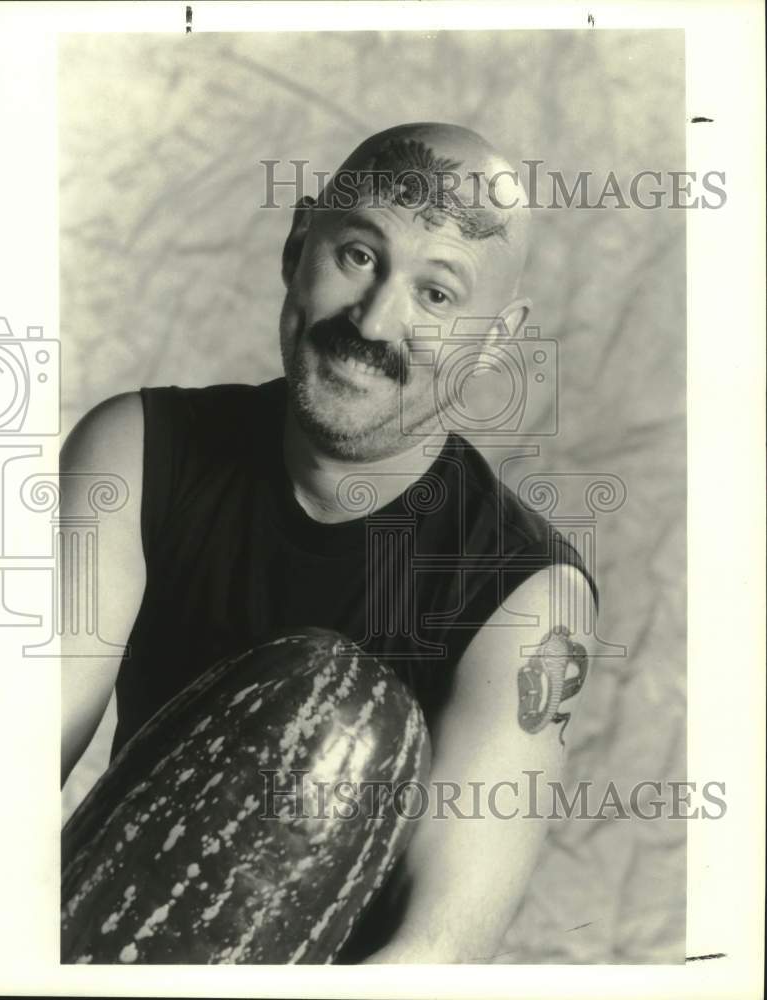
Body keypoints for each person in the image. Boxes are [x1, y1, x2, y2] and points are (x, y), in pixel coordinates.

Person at [61, 122, 599, 963]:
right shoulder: (133, 450)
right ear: (297, 242)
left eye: (438, 295)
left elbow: (440, 945)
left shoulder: (530, 597)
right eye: (358, 254)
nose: (376, 320)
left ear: (495, 338)